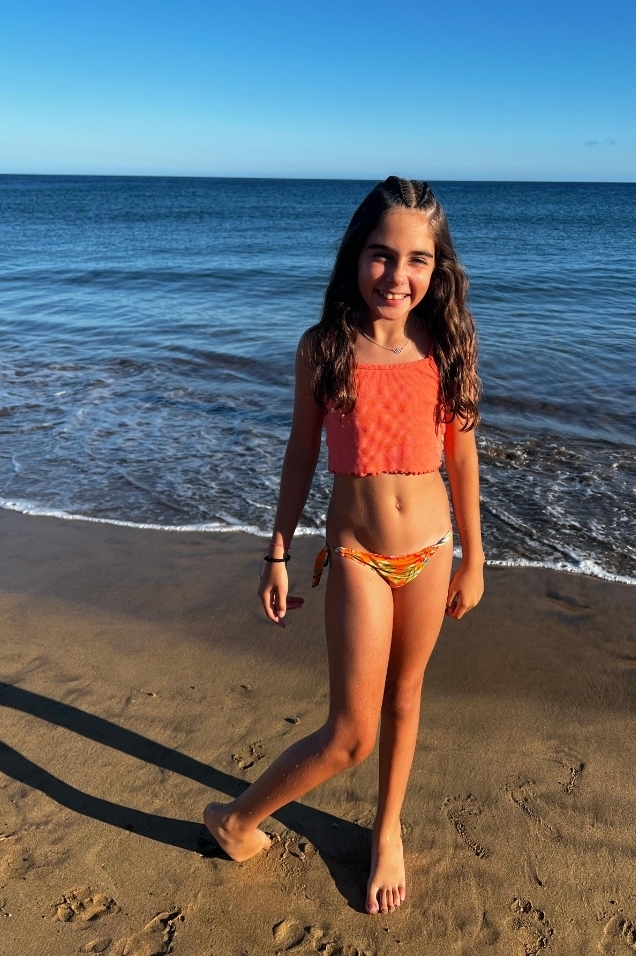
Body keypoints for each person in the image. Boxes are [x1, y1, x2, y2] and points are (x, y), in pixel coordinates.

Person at [204, 176, 484, 914]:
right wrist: (276, 552)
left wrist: (474, 555)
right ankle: (234, 819)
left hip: (432, 549)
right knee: (352, 734)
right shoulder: (324, 348)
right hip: (358, 554)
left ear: (438, 267)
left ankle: (388, 830)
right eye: (381, 255)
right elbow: (301, 451)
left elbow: (461, 457)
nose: (397, 275)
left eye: (417, 259)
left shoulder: (448, 343)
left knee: (407, 697)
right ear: (356, 255)